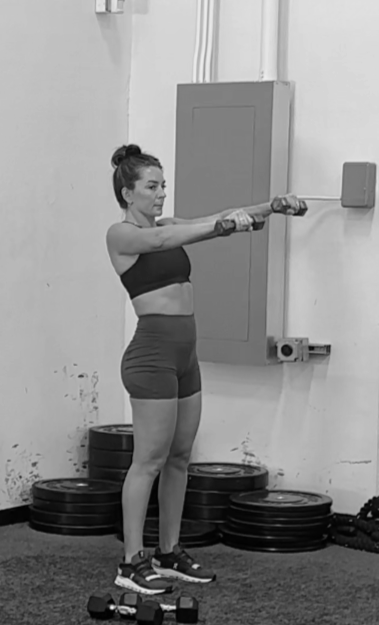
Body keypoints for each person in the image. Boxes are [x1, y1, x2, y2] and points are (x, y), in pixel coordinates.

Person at [105, 145, 306, 594]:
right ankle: (131, 562)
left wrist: (271, 207)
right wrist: (217, 227)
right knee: (148, 460)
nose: (160, 195)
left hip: (184, 356)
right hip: (151, 356)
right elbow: (162, 242)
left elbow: (216, 218)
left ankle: (169, 552)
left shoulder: (170, 225)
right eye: (151, 187)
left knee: (179, 457)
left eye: (163, 186)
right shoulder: (120, 236)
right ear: (127, 192)